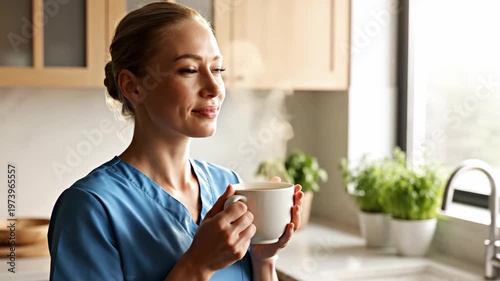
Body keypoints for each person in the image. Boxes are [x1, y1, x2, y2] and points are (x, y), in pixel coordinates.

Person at [47, 2, 303, 281]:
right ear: (133, 86)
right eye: (189, 70)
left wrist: (264, 258)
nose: (214, 88)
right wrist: (197, 266)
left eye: (217, 70)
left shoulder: (227, 185)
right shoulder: (91, 207)